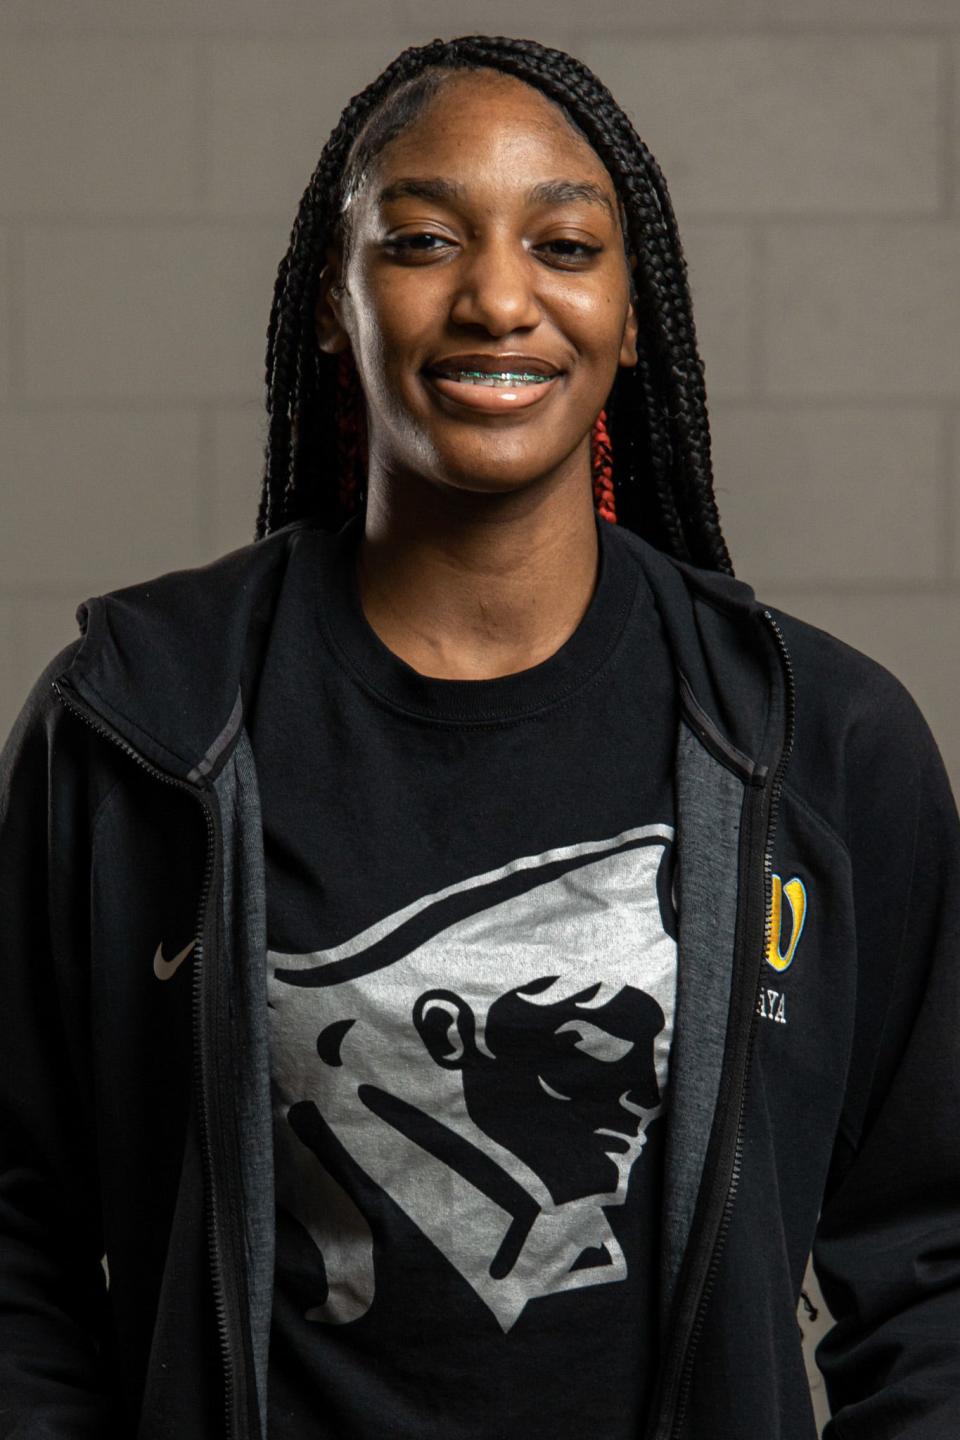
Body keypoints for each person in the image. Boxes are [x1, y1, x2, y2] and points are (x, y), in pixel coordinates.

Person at [0, 32, 957, 1440]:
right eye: (424, 239)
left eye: (564, 247)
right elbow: (17, 1232)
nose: (499, 296)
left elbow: (929, 1262)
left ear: (634, 317)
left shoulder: (818, 741)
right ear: (335, 301)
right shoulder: (141, 725)